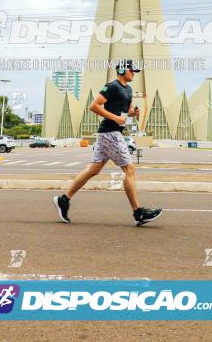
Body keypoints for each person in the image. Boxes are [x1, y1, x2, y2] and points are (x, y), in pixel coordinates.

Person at [53, 60, 162, 226]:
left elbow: (124, 113)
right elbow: (94, 106)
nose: (134, 73)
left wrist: (134, 113)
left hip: (111, 133)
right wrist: (115, 118)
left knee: (94, 169)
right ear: (123, 70)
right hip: (110, 132)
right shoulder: (112, 86)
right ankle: (138, 213)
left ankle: (64, 199)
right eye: (132, 70)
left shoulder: (128, 89)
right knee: (129, 169)